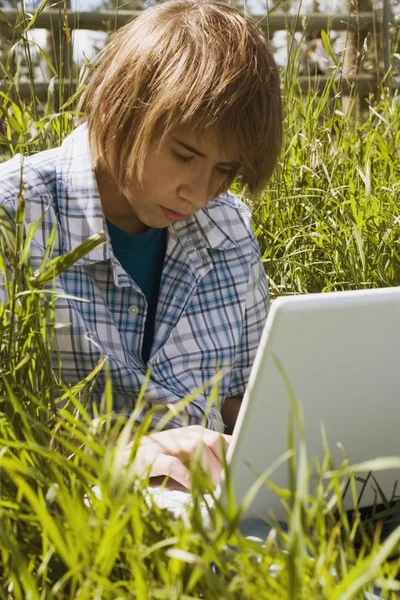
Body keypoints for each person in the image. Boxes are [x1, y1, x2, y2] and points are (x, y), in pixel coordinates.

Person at [0, 0, 282, 488]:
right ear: (114, 108)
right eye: (183, 154)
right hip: (69, 517)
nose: (199, 193)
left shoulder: (229, 226)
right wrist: (119, 459)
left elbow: (241, 401)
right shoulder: (15, 214)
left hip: (211, 504)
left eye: (225, 170)